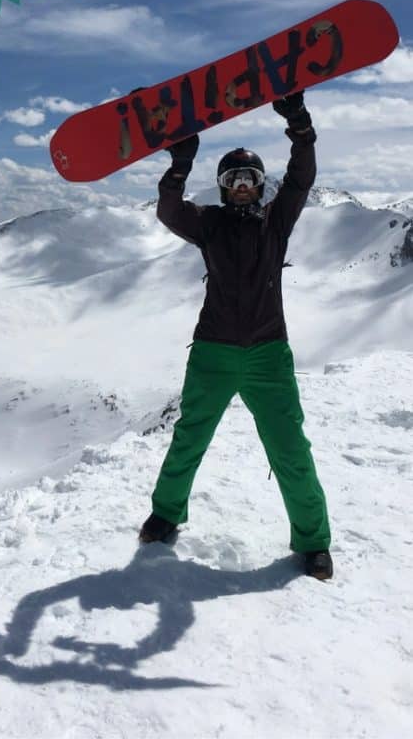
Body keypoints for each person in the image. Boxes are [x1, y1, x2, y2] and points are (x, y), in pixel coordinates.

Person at [140, 91, 333, 581]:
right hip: (213, 352)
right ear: (223, 188)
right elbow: (169, 210)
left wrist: (300, 125)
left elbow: (301, 178)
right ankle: (166, 513)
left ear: (260, 185)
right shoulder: (209, 223)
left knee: (290, 448)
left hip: (269, 354)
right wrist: (180, 164)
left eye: (249, 178)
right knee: (189, 437)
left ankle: (314, 542)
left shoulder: (276, 222)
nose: (242, 186)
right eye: (233, 179)